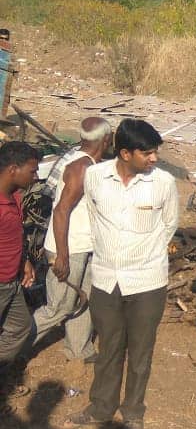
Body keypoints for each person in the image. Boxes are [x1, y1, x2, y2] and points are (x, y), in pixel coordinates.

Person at [70, 119, 179, 429]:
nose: (154, 158)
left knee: (141, 352)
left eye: (155, 152)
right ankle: (101, 407)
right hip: (105, 280)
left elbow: (169, 225)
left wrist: (144, 256)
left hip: (147, 282)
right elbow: (93, 216)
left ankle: (132, 411)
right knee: (108, 349)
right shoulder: (95, 177)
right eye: (147, 153)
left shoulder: (163, 183)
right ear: (125, 153)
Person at [32, 117, 113, 362]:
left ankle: (79, 349)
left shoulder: (80, 160)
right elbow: (61, 211)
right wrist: (63, 255)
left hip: (85, 245)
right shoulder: (82, 167)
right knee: (59, 307)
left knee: (85, 298)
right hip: (69, 246)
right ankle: (11, 346)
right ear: (106, 140)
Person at [0, 142, 40, 375]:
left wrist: (24, 260)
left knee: (19, 326)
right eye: (33, 170)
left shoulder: (14, 196)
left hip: (11, 281)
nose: (36, 176)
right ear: (13, 169)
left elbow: (15, 234)